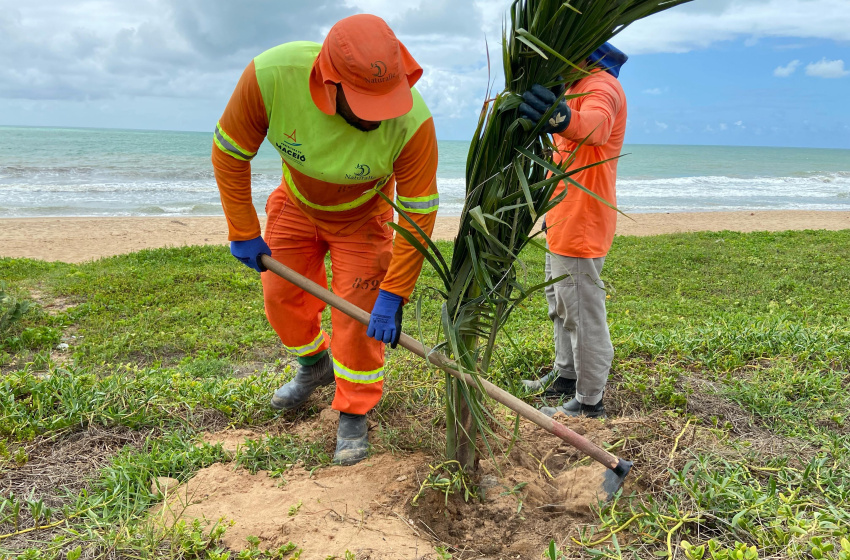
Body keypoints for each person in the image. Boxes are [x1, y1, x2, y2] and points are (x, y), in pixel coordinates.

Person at [212, 14, 439, 465]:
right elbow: (230, 149)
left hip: (364, 217)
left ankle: (354, 409)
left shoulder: (414, 123)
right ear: (327, 82)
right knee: (281, 298)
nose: (380, 117)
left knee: (357, 318)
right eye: (366, 105)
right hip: (296, 205)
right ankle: (314, 364)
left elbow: (417, 213)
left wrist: (394, 292)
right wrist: (243, 228)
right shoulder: (270, 77)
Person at [518, 43, 628, 419]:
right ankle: (565, 375)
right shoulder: (573, 85)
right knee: (560, 303)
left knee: (581, 312)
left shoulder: (602, 86)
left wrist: (559, 116)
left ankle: (588, 401)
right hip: (562, 219)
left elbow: (595, 126)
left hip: (583, 223)